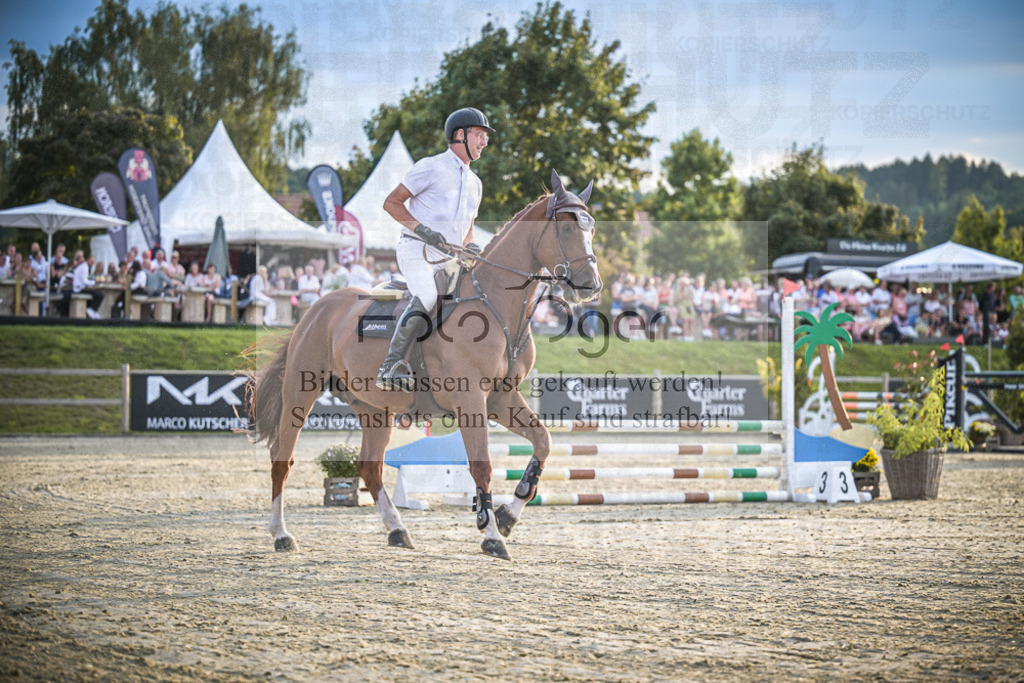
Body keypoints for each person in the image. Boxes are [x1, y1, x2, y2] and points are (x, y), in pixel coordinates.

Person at [375, 106, 493, 391]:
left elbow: (466, 230)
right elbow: (392, 202)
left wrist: (471, 246)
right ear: (460, 135)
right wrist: (422, 229)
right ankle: (390, 366)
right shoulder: (430, 166)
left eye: (485, 137)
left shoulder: (476, 184)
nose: (485, 142)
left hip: (448, 259)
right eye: (480, 135)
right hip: (416, 250)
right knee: (427, 295)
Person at [72, 254, 104, 319]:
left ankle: (92, 310)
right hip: (79, 289)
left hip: (80, 287)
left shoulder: (84, 267)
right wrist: (95, 282)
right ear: (88, 260)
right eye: (91, 261)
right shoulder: (85, 267)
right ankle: (92, 310)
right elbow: (84, 281)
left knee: (97, 293)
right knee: (100, 295)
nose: (92, 263)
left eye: (93, 262)